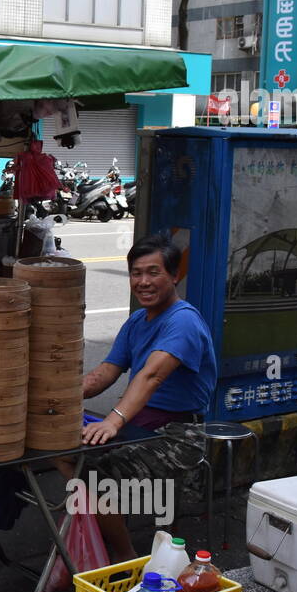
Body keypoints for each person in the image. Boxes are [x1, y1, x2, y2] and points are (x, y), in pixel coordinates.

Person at [56, 234, 218, 560]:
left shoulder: (183, 321)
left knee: (92, 477)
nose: (143, 282)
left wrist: (114, 420)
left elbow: (151, 375)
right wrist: (55, 398)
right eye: (136, 273)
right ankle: (98, 525)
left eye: (153, 272)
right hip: (139, 427)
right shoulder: (136, 322)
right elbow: (104, 374)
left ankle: (126, 555)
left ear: (174, 276)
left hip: (178, 436)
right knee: (56, 447)